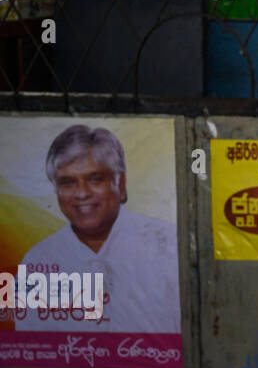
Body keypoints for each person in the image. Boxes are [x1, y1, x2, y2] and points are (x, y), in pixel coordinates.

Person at [15, 124, 180, 334]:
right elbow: (32, 349)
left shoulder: (167, 244)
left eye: (95, 179)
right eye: (67, 183)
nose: (82, 193)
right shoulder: (39, 260)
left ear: (120, 185)